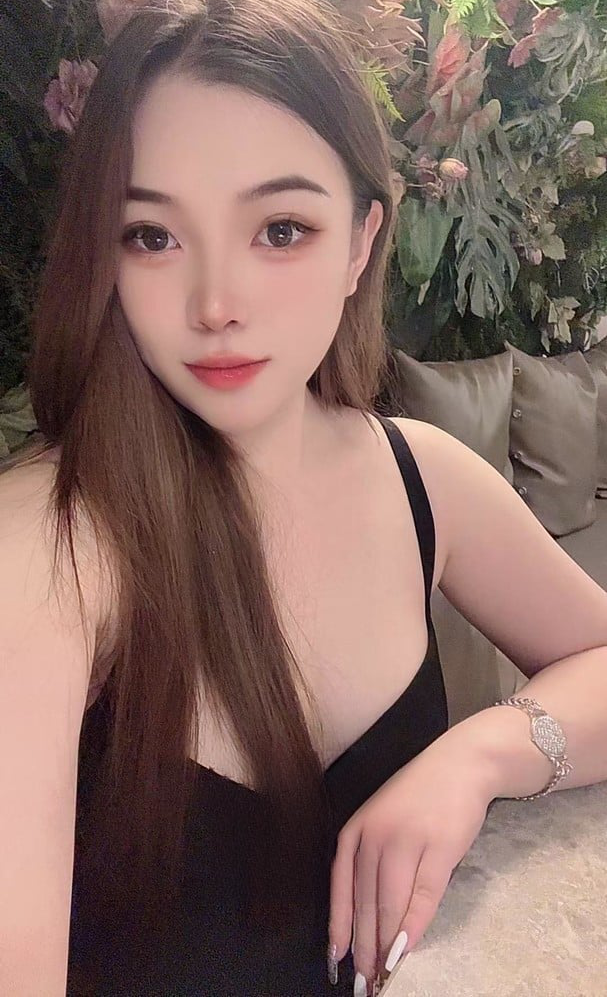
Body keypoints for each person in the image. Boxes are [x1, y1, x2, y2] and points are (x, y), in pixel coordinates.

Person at [2, 1, 607, 995]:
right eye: (151, 235)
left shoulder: (422, 476)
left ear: (361, 242)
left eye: (280, 229)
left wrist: (480, 756)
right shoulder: (46, 547)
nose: (215, 304)